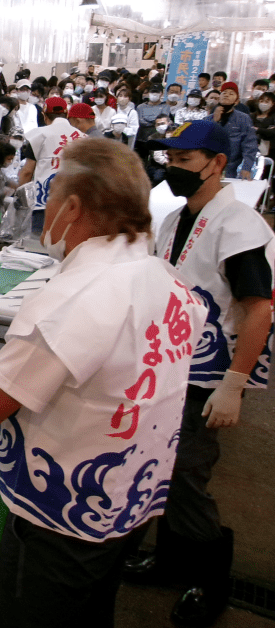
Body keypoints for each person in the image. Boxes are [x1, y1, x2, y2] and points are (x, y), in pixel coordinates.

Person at [0, 138, 208, 628]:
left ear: (74, 206)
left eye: (51, 194)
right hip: (125, 504)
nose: (45, 206)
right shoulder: (164, 277)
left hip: (63, 520)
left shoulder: (75, 297)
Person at [125, 120, 275, 627]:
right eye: (170, 159)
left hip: (208, 376)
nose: (173, 168)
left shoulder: (239, 227)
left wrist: (234, 384)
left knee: (187, 474)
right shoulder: (175, 219)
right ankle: (170, 561)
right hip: (171, 366)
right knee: (163, 467)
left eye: (185, 161)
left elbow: (259, 309)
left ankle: (211, 583)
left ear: (217, 164)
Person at [17, 97, 85, 234]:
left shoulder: (38, 135)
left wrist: (18, 196)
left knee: (39, 246)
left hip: (44, 204)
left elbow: (27, 172)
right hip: (74, 205)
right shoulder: (83, 138)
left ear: (44, 116)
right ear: (66, 114)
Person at [211, 83, 257, 179]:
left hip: (232, 170)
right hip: (209, 168)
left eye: (231, 94)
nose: (227, 95)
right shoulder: (207, 119)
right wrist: (214, 121)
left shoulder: (243, 118)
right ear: (219, 98)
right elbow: (201, 142)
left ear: (236, 101)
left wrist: (246, 167)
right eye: (224, 93)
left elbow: (250, 145)